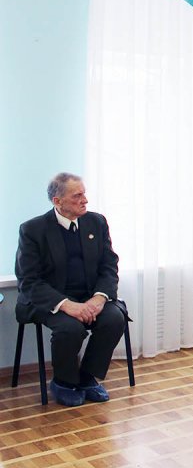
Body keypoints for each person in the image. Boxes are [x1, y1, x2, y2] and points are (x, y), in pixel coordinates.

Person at [15, 173, 126, 407]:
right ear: (57, 201)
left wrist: (99, 297)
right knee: (70, 328)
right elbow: (29, 281)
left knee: (114, 318)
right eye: (77, 195)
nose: (85, 200)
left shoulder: (96, 222)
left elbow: (109, 265)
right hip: (49, 301)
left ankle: (87, 378)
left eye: (84, 193)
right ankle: (63, 382)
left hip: (89, 296)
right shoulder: (33, 230)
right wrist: (67, 305)